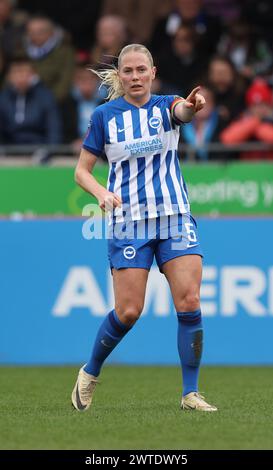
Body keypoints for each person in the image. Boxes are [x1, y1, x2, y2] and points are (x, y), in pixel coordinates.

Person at [71, 43, 217, 412]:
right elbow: (81, 172)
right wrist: (102, 193)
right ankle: (90, 372)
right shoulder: (105, 116)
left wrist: (193, 107)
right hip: (129, 223)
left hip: (174, 217)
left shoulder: (165, 106)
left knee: (190, 301)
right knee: (129, 311)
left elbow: (182, 110)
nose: (135, 77)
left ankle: (190, 393)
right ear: (120, 77)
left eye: (141, 70)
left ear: (152, 72)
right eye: (128, 71)